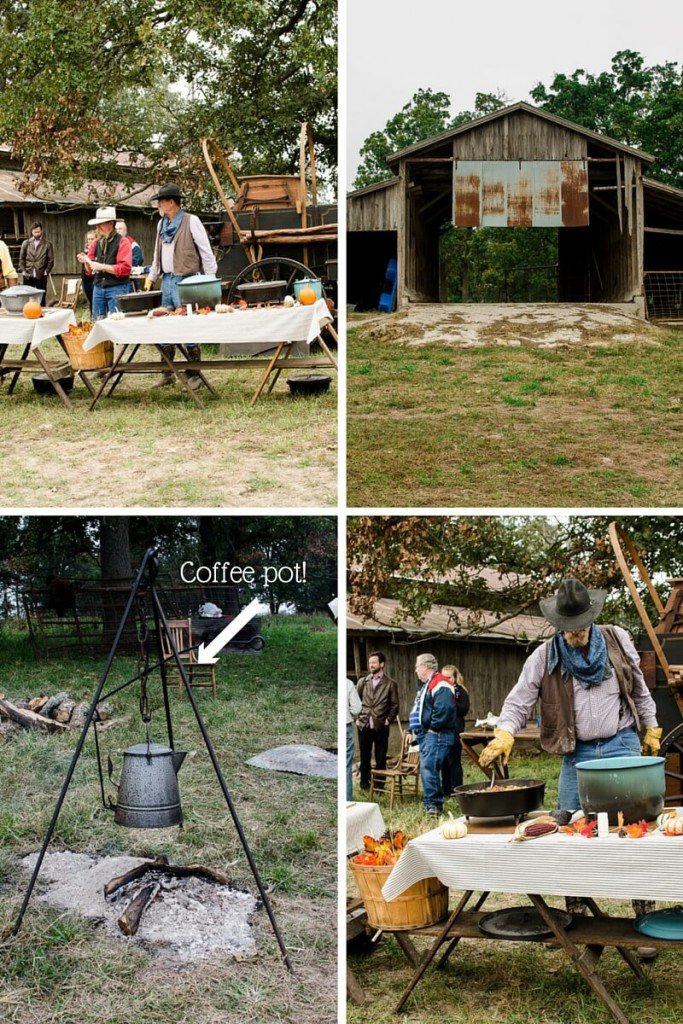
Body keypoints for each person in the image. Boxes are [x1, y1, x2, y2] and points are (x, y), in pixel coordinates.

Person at [479, 577, 661, 957]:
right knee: (569, 834)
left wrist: (652, 725)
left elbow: (640, 687)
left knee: (635, 832)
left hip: (621, 745)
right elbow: (518, 701)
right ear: (558, 625)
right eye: (568, 628)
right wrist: (504, 734)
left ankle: (645, 922)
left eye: (580, 626)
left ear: (591, 618)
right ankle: (581, 928)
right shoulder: (544, 656)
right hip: (575, 753)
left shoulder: (617, 639)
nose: (575, 634)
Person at [144, 183, 217, 390]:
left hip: (187, 281)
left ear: (171, 202)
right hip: (167, 280)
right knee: (164, 326)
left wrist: (210, 279)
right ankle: (167, 373)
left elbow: (206, 251)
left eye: (161, 201)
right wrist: (152, 275)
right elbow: (157, 253)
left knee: (189, 327)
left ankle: (194, 374)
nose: (158, 204)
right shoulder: (161, 224)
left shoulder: (191, 221)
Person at [409, 653, 458, 815]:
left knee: (429, 767)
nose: (415, 670)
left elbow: (444, 707)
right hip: (427, 733)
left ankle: (434, 805)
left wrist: (434, 728)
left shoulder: (440, 683)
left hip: (437, 733)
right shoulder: (428, 684)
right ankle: (431, 803)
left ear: (425, 666)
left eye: (417, 666)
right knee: (427, 767)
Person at [77, 207, 132, 319]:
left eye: (100, 224)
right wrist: (86, 262)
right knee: (97, 322)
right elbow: (89, 272)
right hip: (98, 287)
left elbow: (125, 269)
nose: (98, 227)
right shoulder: (96, 243)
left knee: (117, 323)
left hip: (117, 287)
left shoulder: (123, 242)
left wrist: (102, 267)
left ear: (110, 223)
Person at [356, 652, 399, 791]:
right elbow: (356, 701)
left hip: (381, 725)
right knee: (365, 756)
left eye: (374, 662)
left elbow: (395, 705)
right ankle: (365, 784)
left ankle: (380, 785)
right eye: (369, 663)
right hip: (364, 724)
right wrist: (357, 718)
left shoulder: (390, 684)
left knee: (380, 757)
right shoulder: (363, 682)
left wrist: (388, 720)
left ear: (382, 664)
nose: (371, 665)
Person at [440, 664, 470, 796]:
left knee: (454, 761)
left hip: (455, 730)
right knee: (443, 763)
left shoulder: (461, 691)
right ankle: (446, 790)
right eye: (443, 677)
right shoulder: (440, 690)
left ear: (455, 677)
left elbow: (464, 710)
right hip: (441, 730)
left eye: (449, 677)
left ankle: (457, 790)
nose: (446, 680)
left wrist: (451, 700)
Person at [18, 222, 54, 304]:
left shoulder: (47, 244)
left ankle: (41, 313)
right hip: (28, 274)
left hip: (41, 274)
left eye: (38, 231)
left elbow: (51, 260)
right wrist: (23, 271)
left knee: (42, 297)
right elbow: (21, 258)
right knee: (27, 297)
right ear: (32, 232)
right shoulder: (26, 243)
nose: (37, 234)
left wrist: (46, 271)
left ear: (41, 231)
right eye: (35, 232)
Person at [346, 678, 362, 800]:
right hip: (345, 725)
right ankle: (347, 800)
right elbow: (357, 708)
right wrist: (349, 713)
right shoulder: (347, 683)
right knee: (346, 765)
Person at [80, 229, 97, 315]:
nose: (90, 241)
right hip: (86, 278)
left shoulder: (97, 249)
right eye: (88, 239)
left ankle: (96, 318)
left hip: (94, 278)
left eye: (92, 239)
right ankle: (92, 318)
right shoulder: (86, 250)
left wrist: (86, 260)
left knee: (95, 300)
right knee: (90, 299)